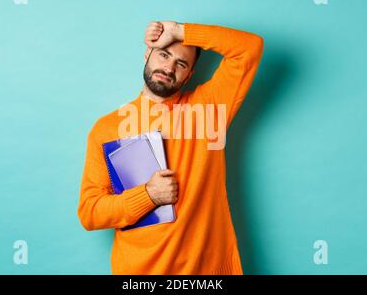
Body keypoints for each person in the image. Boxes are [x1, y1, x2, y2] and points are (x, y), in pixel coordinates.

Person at [78, 20, 264, 274]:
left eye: (181, 63)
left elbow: (249, 47)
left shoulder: (208, 109)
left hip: (205, 271)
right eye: (164, 54)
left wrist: (178, 31)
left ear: (189, 75)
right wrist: (148, 196)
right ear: (147, 54)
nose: (168, 67)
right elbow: (90, 212)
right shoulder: (106, 128)